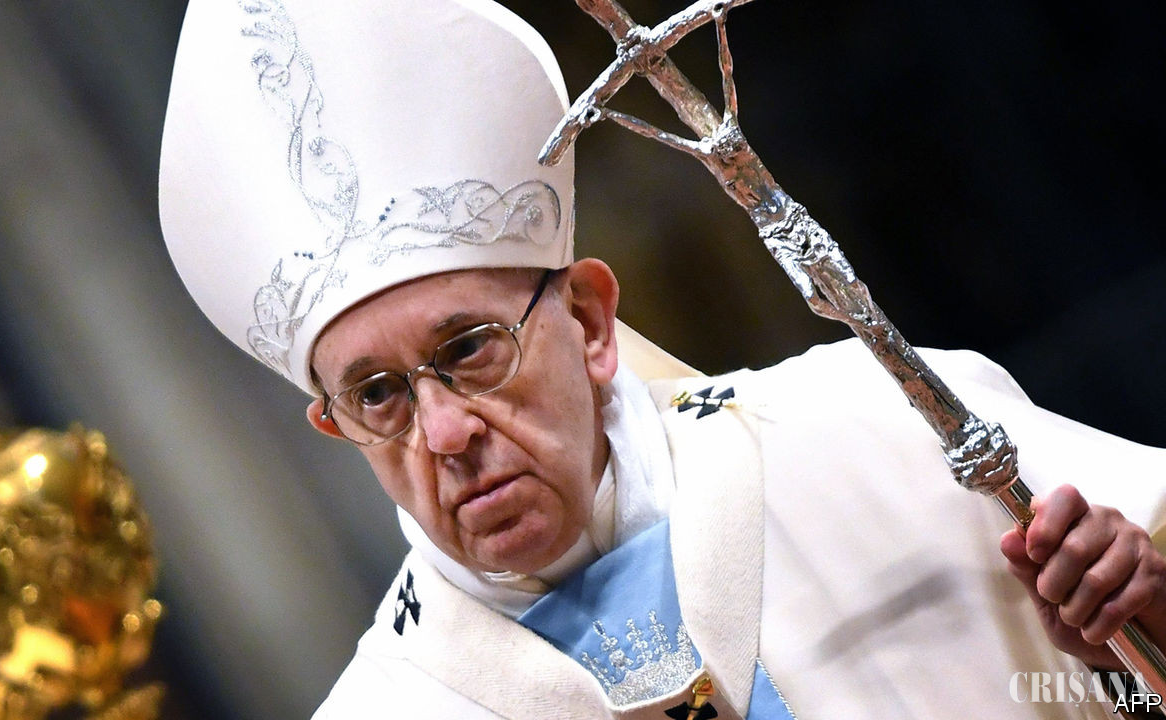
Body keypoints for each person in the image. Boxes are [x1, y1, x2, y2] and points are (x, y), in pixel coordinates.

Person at [158, 1, 1166, 718]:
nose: (446, 431)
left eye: (468, 349)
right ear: (332, 424)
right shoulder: (392, 704)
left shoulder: (870, 430)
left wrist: (1137, 640)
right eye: (377, 395)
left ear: (590, 322)